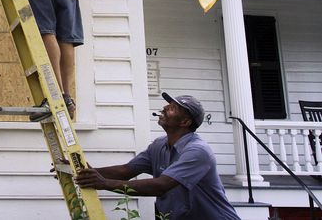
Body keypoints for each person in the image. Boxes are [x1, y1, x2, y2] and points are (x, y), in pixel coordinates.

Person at [74, 93, 241, 220]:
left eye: (173, 108)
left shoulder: (197, 151)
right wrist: (83, 171)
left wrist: (104, 184)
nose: (165, 108)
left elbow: (161, 185)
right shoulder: (159, 145)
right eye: (168, 105)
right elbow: (126, 171)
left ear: (185, 122)